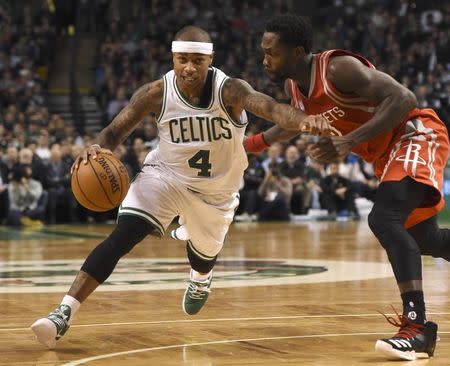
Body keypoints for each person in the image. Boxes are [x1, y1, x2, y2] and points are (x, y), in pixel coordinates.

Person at [30, 25, 330, 349]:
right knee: (122, 236)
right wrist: (96, 147)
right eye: (182, 59)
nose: (188, 68)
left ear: (210, 59)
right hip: (166, 177)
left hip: (216, 195)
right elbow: (114, 132)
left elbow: (270, 108)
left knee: (202, 260)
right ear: (173, 58)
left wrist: (302, 120)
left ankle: (200, 278)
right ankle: (63, 312)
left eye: (196, 61)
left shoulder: (229, 91)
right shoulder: (156, 93)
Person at [244, 14, 449, 361]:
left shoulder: (338, 69)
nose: (265, 60)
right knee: (426, 240)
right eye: (263, 52)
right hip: (386, 155)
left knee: (384, 219)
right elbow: (291, 124)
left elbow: (404, 97)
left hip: (414, 133)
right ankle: (419, 333)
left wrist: (347, 142)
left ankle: (415, 329)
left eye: (272, 53)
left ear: (297, 52)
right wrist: (249, 146)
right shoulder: (294, 87)